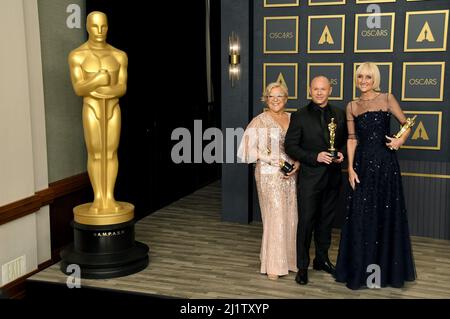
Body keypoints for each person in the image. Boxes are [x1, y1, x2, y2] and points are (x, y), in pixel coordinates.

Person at [335, 62, 416, 290]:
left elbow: (407, 123)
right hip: (361, 166)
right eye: (360, 76)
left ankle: (384, 272)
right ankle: (360, 271)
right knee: (360, 216)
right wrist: (350, 168)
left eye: (368, 77)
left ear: (375, 79)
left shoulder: (388, 98)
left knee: (384, 213)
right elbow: (351, 139)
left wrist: (400, 140)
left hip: (385, 165)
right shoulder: (351, 105)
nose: (363, 81)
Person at [285, 76, 347, 285]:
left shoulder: (340, 114)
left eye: (323, 89)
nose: (319, 92)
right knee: (306, 223)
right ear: (309, 90)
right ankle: (302, 267)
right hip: (310, 179)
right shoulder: (300, 116)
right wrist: (315, 157)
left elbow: (347, 142)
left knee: (326, 223)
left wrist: (341, 154)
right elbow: (291, 146)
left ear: (330, 90)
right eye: (315, 89)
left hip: (333, 178)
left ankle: (321, 259)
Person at [238, 82, 300, 280]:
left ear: (286, 99)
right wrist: (270, 158)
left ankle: (289, 261)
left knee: (291, 216)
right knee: (274, 218)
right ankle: (273, 265)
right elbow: (244, 151)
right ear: (266, 98)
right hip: (268, 175)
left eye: (279, 96)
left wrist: (297, 163)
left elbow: (300, 145)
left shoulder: (293, 118)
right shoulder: (259, 121)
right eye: (271, 96)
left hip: (290, 174)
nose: (275, 100)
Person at [68, 11, 128, 212]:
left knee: (110, 152)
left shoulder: (118, 55)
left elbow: (122, 87)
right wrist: (97, 80)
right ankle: (98, 197)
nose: (100, 31)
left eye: (103, 26)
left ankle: (109, 197)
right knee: (95, 152)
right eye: (95, 26)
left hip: (112, 107)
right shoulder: (78, 56)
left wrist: (102, 89)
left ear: (108, 27)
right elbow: (78, 89)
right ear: (87, 27)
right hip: (92, 108)